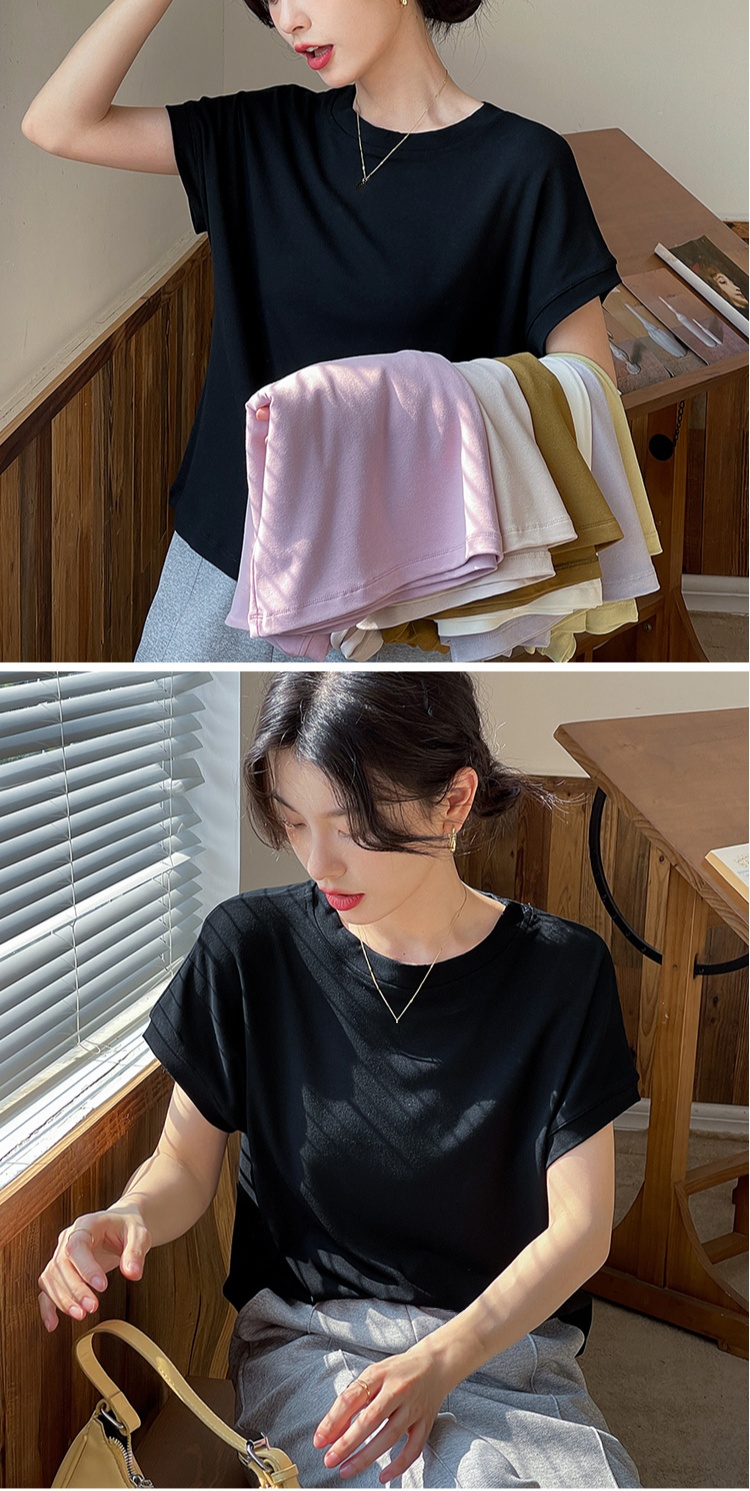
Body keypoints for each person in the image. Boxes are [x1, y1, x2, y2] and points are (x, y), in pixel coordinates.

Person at [38, 671, 642, 1487]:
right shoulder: (250, 949)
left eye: (354, 827)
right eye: (294, 822)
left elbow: (582, 1228)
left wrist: (444, 1358)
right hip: (316, 1341)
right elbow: (181, 1163)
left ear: (454, 801)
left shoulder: (562, 973)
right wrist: (127, 1213)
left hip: (506, 1344)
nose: (320, 861)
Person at [22, 0, 621, 665]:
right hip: (225, 571)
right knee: (176, 738)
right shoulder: (258, 137)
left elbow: (588, 392)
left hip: (403, 597)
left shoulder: (524, 166)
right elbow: (57, 123)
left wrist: (404, 395)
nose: (288, 19)